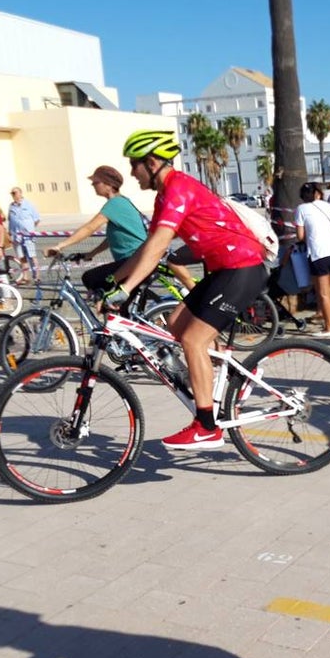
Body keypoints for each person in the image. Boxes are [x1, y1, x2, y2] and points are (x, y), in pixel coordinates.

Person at [106, 130, 268, 451]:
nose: (131, 173)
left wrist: (125, 289)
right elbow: (147, 248)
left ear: (151, 163)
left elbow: (159, 246)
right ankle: (236, 379)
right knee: (176, 326)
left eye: (133, 165)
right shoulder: (164, 195)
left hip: (242, 267)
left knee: (194, 340)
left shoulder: (178, 188)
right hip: (223, 269)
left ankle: (207, 426)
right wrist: (114, 283)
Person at [46, 165, 148, 296]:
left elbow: (89, 228)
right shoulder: (122, 202)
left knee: (90, 278)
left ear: (108, 184)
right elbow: (112, 238)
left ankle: (103, 307)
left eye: (96, 182)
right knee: (124, 307)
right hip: (136, 259)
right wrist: (91, 253)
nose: (93, 185)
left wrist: (60, 246)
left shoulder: (114, 204)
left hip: (133, 260)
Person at [294, 181, 330, 337]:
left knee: (322, 293)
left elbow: (300, 236)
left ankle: (329, 328)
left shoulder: (301, 209)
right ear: (318, 193)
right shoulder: (329, 206)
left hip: (318, 253)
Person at [8, 187, 41, 284]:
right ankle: (26, 277)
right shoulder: (11, 206)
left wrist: (30, 229)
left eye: (15, 193)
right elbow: (10, 220)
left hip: (28, 236)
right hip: (16, 235)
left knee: (32, 256)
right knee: (21, 257)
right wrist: (10, 233)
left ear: (21, 193)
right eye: (12, 193)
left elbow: (37, 219)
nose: (14, 195)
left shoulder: (29, 205)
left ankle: (37, 276)